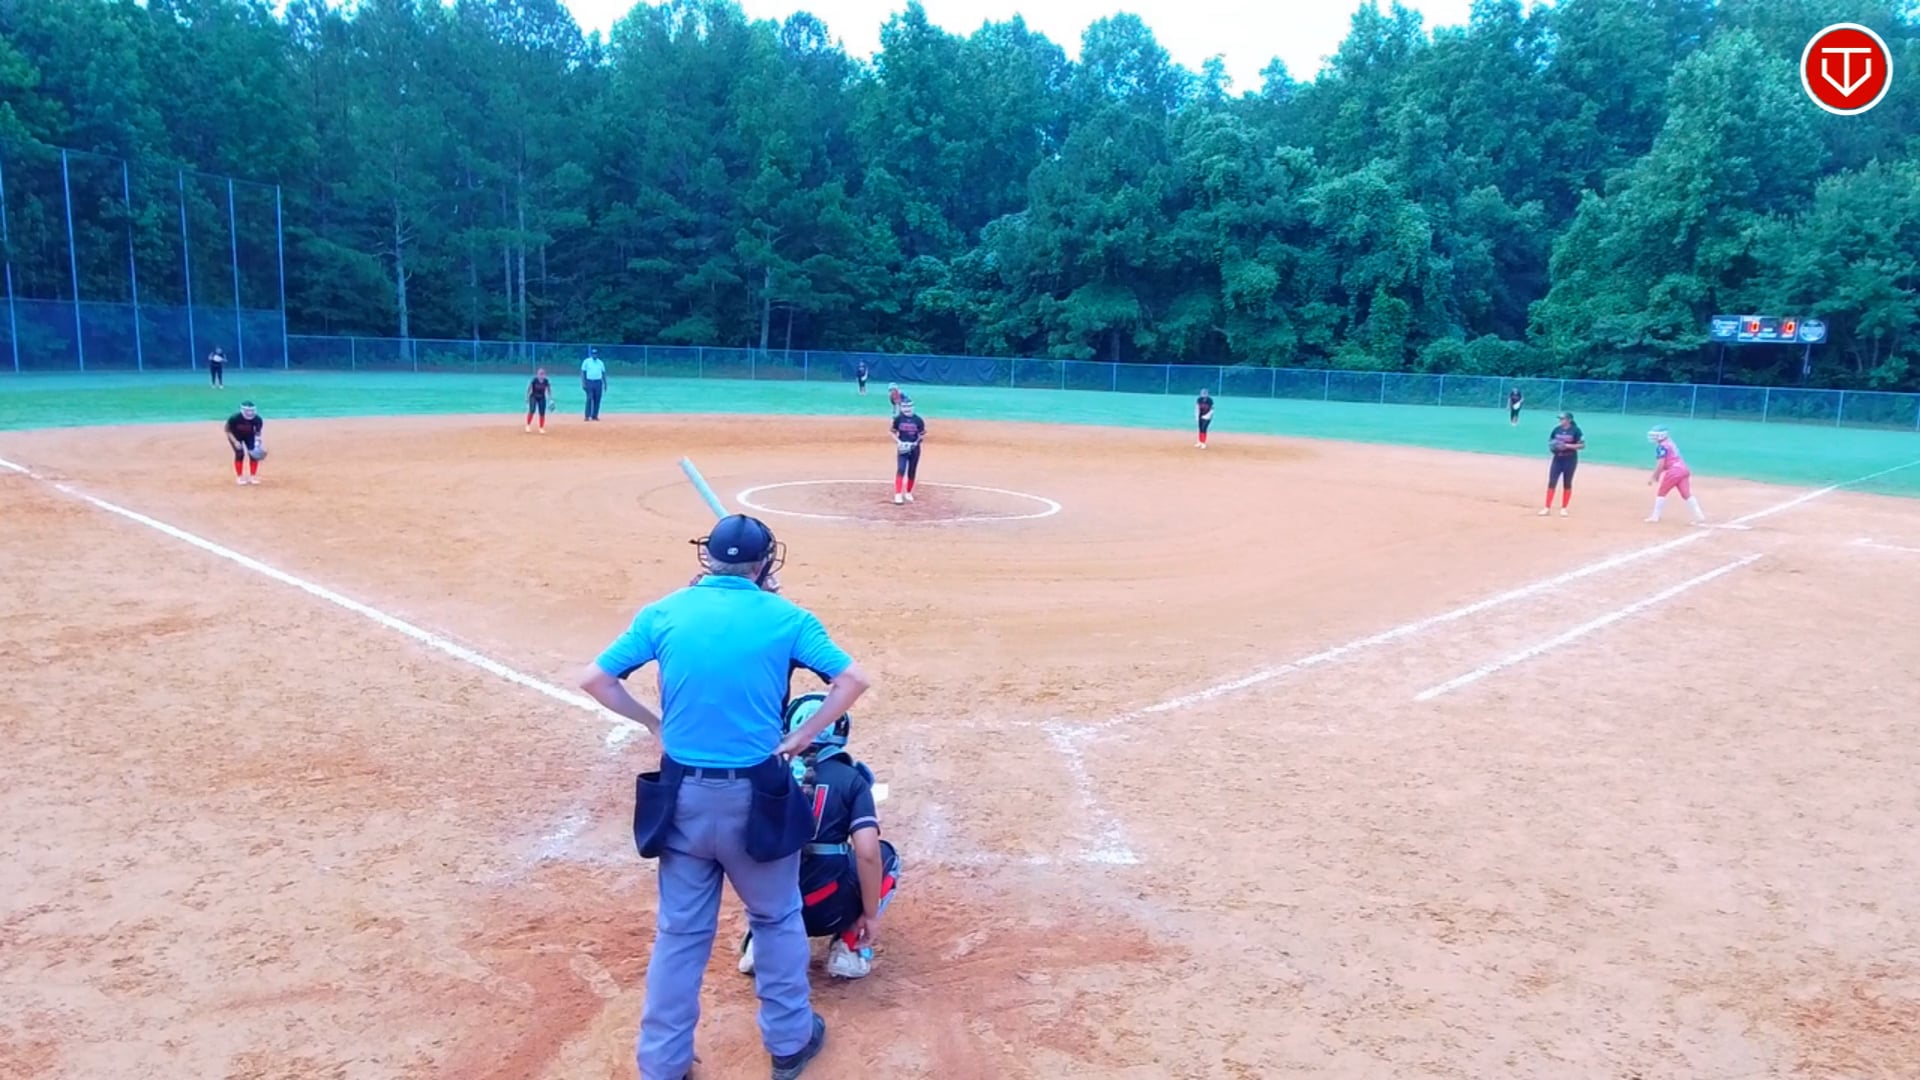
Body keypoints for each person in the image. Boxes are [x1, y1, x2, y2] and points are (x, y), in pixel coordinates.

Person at [578, 514, 872, 1080]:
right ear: (764, 564)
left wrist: (653, 723)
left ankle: (663, 1063)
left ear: (707, 557)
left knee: (680, 934)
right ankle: (789, 1042)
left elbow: (596, 679)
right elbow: (852, 680)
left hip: (682, 797)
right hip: (758, 797)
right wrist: (804, 736)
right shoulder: (788, 618)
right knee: (776, 918)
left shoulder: (664, 612)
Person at [739, 691, 901, 982]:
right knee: (886, 856)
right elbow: (868, 854)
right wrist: (870, 915)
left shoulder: (767, 774)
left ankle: (762, 942)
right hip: (829, 911)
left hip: (775, 909)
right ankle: (848, 947)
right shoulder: (852, 780)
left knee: (765, 863)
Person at [1645, 426, 1707, 525]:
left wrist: (1654, 476)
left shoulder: (1661, 446)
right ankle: (1699, 516)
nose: (1653, 437)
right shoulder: (1670, 442)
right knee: (1686, 494)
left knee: (1662, 492)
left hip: (1674, 471)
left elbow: (1661, 464)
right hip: (1683, 469)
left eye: (1655, 435)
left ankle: (1655, 517)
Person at [1539, 411, 1583, 517]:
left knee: (1567, 483)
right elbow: (1551, 442)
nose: (1560, 420)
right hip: (1557, 459)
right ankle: (1547, 508)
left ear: (1569, 420)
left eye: (1562, 419)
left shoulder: (1576, 430)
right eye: (1560, 419)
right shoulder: (1556, 429)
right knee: (1552, 482)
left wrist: (1566, 446)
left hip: (1570, 460)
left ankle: (1564, 508)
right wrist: (1553, 447)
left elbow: (1582, 445)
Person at [890, 397, 926, 505]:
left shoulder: (918, 420)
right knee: (901, 469)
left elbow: (922, 435)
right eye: (904, 407)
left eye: (909, 406)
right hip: (902, 448)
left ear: (913, 407)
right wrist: (899, 442)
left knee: (912, 471)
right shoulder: (898, 419)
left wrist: (915, 443)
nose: (907, 409)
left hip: (914, 449)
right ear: (901, 408)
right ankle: (898, 494)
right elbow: (892, 432)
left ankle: (908, 492)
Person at [225, 401, 265, 486]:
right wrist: (235, 442)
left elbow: (258, 432)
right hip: (235, 436)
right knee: (240, 453)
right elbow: (227, 430)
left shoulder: (257, 419)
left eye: (251, 410)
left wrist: (257, 442)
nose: (250, 413)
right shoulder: (234, 418)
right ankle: (239, 477)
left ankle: (252, 477)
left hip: (249, 436)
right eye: (247, 411)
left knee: (253, 454)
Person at [581, 347, 607, 421]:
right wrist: (583, 383)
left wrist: (605, 384)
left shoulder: (600, 363)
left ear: (597, 355)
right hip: (589, 382)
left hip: (598, 382)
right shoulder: (586, 362)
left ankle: (594, 415)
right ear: (591, 354)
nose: (594, 355)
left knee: (597, 399)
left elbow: (603, 373)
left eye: (596, 354)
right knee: (589, 398)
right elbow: (583, 373)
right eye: (593, 354)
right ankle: (587, 415)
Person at [526, 367, 552, 434]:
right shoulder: (534, 380)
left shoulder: (546, 381)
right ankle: (528, 425)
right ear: (537, 374)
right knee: (532, 410)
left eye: (542, 374)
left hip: (542, 397)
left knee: (542, 413)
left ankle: (541, 428)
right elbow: (529, 389)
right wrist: (527, 398)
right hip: (533, 396)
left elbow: (549, 390)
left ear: (544, 375)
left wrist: (550, 399)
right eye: (540, 374)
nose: (541, 375)